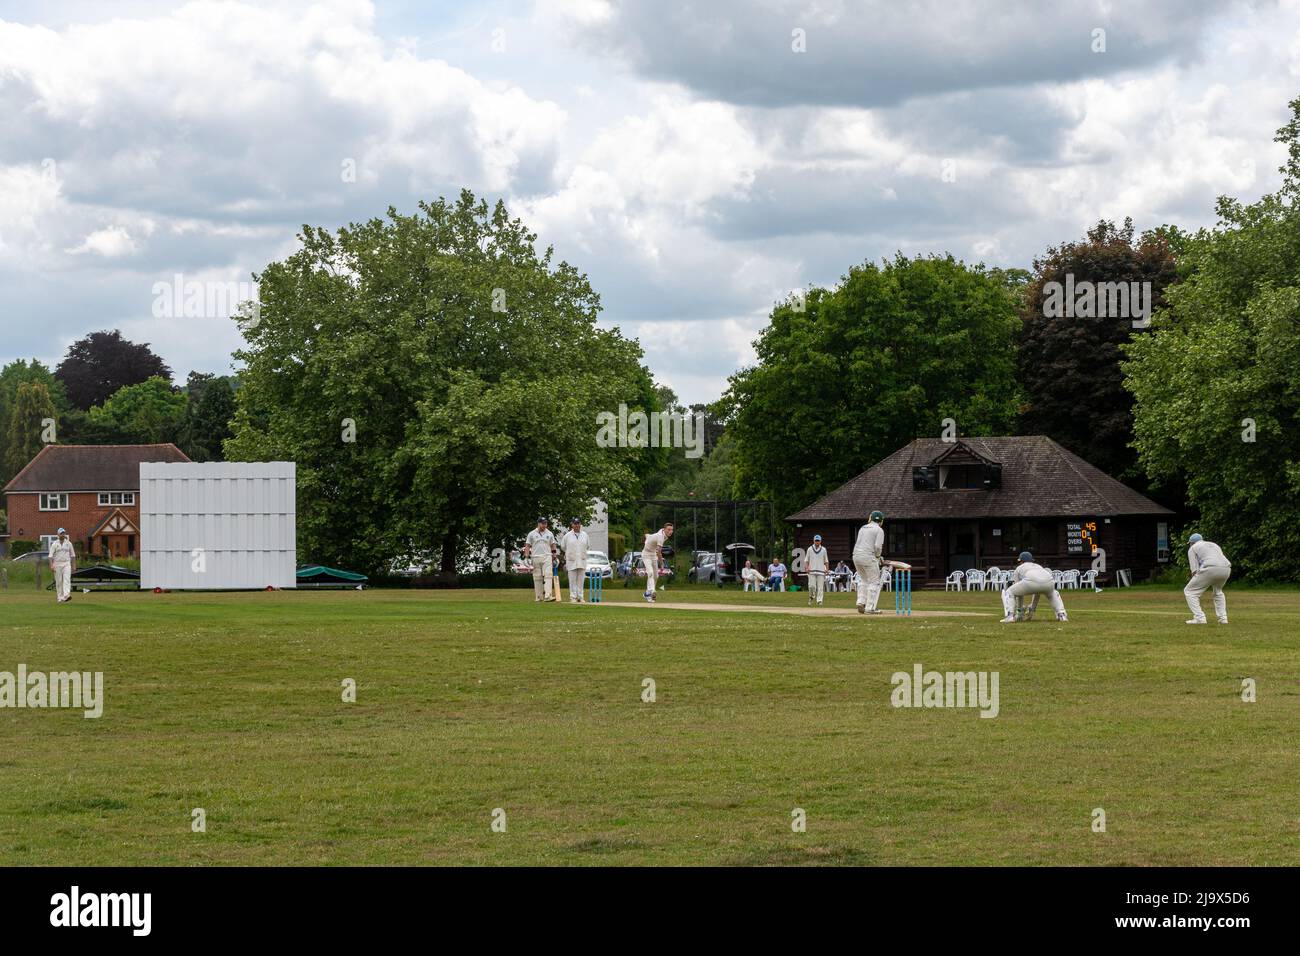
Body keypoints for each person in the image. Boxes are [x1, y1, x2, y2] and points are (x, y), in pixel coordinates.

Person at [1001, 551, 1068, 623]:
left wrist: (1020, 611)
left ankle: (1010, 616)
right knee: (1053, 593)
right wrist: (1032, 609)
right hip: (1049, 581)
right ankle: (1062, 615)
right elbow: (1037, 592)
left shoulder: (1019, 568)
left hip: (1031, 581)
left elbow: (1019, 594)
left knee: (1009, 592)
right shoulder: (1038, 566)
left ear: (1021, 561)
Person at [1184, 532, 1231, 624]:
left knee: (1189, 591)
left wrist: (1196, 580)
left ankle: (1199, 618)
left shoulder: (1193, 548)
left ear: (1191, 543)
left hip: (1210, 568)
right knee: (1218, 592)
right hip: (1226, 569)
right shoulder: (1214, 545)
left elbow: (1194, 569)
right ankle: (1223, 619)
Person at [853, 510, 886, 615]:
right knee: (874, 581)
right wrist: (878, 557)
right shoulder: (879, 530)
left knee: (864, 580)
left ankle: (861, 602)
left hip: (856, 556)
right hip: (868, 556)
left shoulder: (863, 528)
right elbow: (877, 547)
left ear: (871, 518)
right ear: (880, 520)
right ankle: (870, 607)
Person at [524, 518, 557, 603]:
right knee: (537, 577)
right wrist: (526, 557)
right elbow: (527, 546)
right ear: (538, 523)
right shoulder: (531, 534)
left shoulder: (549, 533)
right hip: (535, 557)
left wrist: (554, 556)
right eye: (542, 524)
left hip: (547, 557)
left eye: (545, 524)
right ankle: (538, 597)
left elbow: (553, 545)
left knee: (548, 575)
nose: (544, 525)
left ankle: (548, 596)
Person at [641, 522, 673, 604]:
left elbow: (650, 536)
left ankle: (647, 593)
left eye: (672, 530)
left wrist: (647, 536)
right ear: (664, 529)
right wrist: (662, 563)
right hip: (646, 554)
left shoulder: (662, 532)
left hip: (653, 554)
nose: (670, 531)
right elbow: (659, 552)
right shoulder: (660, 537)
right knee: (650, 572)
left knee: (656, 575)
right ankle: (652, 590)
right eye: (669, 530)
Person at [560, 517, 590, 604]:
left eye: (578, 523)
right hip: (571, 560)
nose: (577, 525)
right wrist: (570, 553)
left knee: (581, 580)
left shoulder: (585, 535)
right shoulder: (567, 536)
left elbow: (587, 546)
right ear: (572, 525)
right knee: (572, 580)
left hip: (582, 560)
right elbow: (563, 547)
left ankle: (580, 597)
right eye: (575, 524)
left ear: (580, 524)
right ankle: (573, 597)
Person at [49, 528, 76, 604]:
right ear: (58, 534)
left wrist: (74, 566)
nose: (63, 535)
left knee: (67, 579)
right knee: (59, 582)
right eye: (61, 533)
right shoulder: (54, 544)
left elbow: (73, 555)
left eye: (64, 533)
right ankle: (60, 598)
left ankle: (66, 595)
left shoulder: (68, 543)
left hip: (66, 563)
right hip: (57, 564)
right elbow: (50, 556)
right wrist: (51, 566)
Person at [805, 535, 829, 605]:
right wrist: (807, 568)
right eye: (816, 540)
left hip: (821, 571)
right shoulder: (809, 549)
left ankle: (819, 600)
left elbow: (826, 560)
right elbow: (806, 560)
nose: (817, 542)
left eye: (818, 541)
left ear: (820, 541)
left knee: (820, 587)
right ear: (814, 541)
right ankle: (811, 597)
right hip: (811, 571)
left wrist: (827, 569)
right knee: (811, 586)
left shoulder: (824, 549)